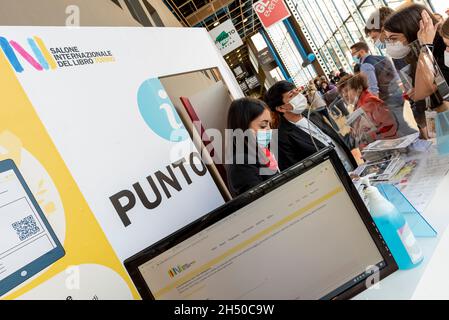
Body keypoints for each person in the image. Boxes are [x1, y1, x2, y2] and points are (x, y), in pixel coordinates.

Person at [265, 81, 357, 172]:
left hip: (352, 169)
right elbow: (294, 171)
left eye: (296, 91)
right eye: (291, 95)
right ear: (281, 108)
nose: (298, 95)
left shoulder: (311, 114)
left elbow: (330, 139)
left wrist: (350, 137)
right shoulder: (280, 138)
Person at [384, 5, 449, 112]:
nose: (391, 44)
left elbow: (423, 90)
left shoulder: (443, 47)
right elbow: (420, 92)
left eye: (393, 38)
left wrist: (425, 45)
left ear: (412, 30)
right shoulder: (419, 53)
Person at [350, 41, 417, 136]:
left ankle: (419, 143)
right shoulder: (382, 58)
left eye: (353, 53)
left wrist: (375, 107)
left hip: (387, 99)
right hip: (398, 94)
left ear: (361, 52)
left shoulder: (365, 65)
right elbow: (396, 76)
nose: (353, 56)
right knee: (403, 122)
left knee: (400, 126)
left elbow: (373, 88)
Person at [226, 98, 279, 197]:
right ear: (243, 127)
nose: (269, 129)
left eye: (269, 124)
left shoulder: (262, 151)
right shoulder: (241, 163)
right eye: (263, 125)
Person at [338, 74, 398, 150]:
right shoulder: (358, 105)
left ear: (359, 88)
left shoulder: (369, 102)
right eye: (342, 93)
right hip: (375, 150)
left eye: (347, 90)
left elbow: (389, 127)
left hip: (385, 149)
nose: (345, 95)